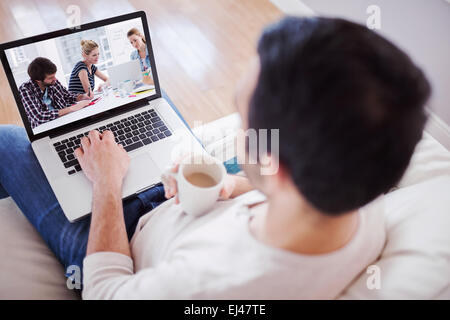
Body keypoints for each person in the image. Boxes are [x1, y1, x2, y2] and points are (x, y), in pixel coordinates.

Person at [0, 17, 430, 299]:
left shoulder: (210, 286)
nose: (240, 125)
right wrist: (231, 184)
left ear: (275, 165)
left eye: (243, 116)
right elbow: (269, 181)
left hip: (121, 235)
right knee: (146, 102)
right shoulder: (367, 190)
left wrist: (107, 186)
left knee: (5, 141)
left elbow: (104, 290)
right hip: (198, 198)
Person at [19, 57, 92, 129]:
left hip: (65, 121)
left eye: (54, 76)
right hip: (45, 130)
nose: (55, 79)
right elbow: (39, 117)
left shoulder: (53, 82)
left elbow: (67, 96)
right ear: (38, 80)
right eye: (50, 78)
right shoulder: (25, 90)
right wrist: (71, 108)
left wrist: (82, 97)